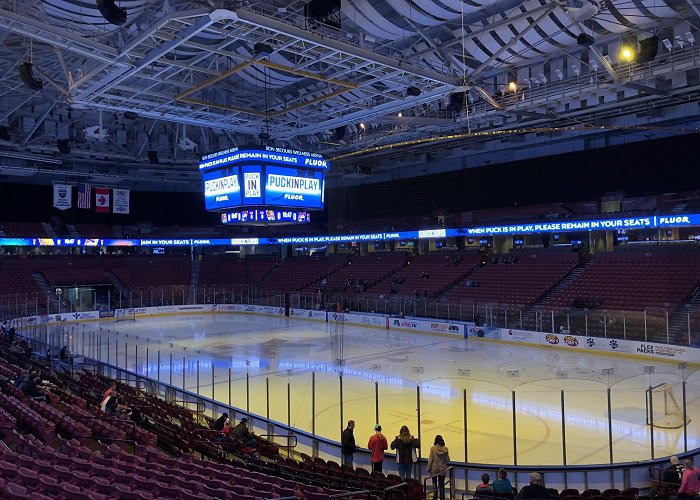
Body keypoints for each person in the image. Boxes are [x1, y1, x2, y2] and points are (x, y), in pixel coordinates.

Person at [427, 434, 450, 500]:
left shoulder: (433, 448)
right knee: (441, 485)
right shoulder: (445, 449)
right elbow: (447, 459)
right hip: (442, 469)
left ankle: (435, 496)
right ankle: (442, 497)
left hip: (434, 469)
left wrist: (428, 468)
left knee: (434, 483)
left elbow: (430, 459)